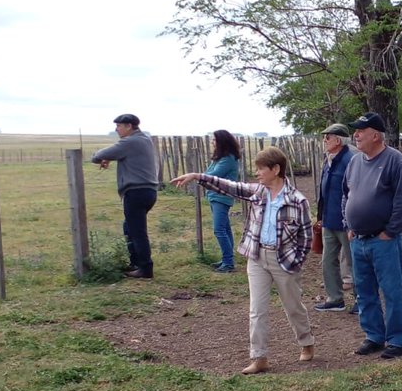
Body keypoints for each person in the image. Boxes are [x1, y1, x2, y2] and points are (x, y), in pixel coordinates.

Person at [171, 147, 316, 375]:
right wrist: (198, 177)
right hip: (257, 257)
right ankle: (259, 358)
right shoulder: (257, 192)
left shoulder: (297, 200)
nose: (256, 173)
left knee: (293, 306)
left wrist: (296, 260)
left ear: (276, 169)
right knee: (257, 310)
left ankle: (306, 342)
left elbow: (306, 236)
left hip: (284, 261)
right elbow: (229, 186)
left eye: (261, 168)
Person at [343, 112, 402, 359]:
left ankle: (396, 341)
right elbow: (347, 194)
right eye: (356, 130)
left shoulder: (395, 161)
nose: (356, 135)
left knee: (392, 291)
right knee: (364, 291)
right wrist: (348, 224)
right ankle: (374, 335)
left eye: (361, 131)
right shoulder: (354, 162)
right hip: (358, 240)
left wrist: (390, 232)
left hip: (384, 241)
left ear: (376, 135)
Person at [91, 114, 160, 279]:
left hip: (136, 191)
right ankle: (136, 263)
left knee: (137, 231)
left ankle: (145, 268)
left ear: (129, 126)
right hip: (148, 191)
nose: (116, 129)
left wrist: (104, 157)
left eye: (119, 126)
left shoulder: (130, 141)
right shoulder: (144, 139)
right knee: (129, 227)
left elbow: (98, 155)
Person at [314, 123, 356, 312]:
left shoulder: (351, 159)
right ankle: (335, 298)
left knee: (353, 261)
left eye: (328, 137)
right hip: (329, 219)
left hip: (346, 221)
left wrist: (353, 221)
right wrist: (320, 215)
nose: (324, 140)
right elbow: (324, 190)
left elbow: (355, 191)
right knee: (328, 260)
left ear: (338, 140)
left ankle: (361, 300)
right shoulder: (328, 158)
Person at [204, 130, 241, 273]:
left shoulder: (228, 159)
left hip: (221, 197)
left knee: (219, 229)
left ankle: (228, 263)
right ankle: (227, 259)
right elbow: (208, 173)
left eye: (214, 140)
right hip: (215, 196)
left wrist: (200, 176)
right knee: (225, 229)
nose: (212, 142)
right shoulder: (221, 158)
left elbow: (212, 175)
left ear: (222, 141)